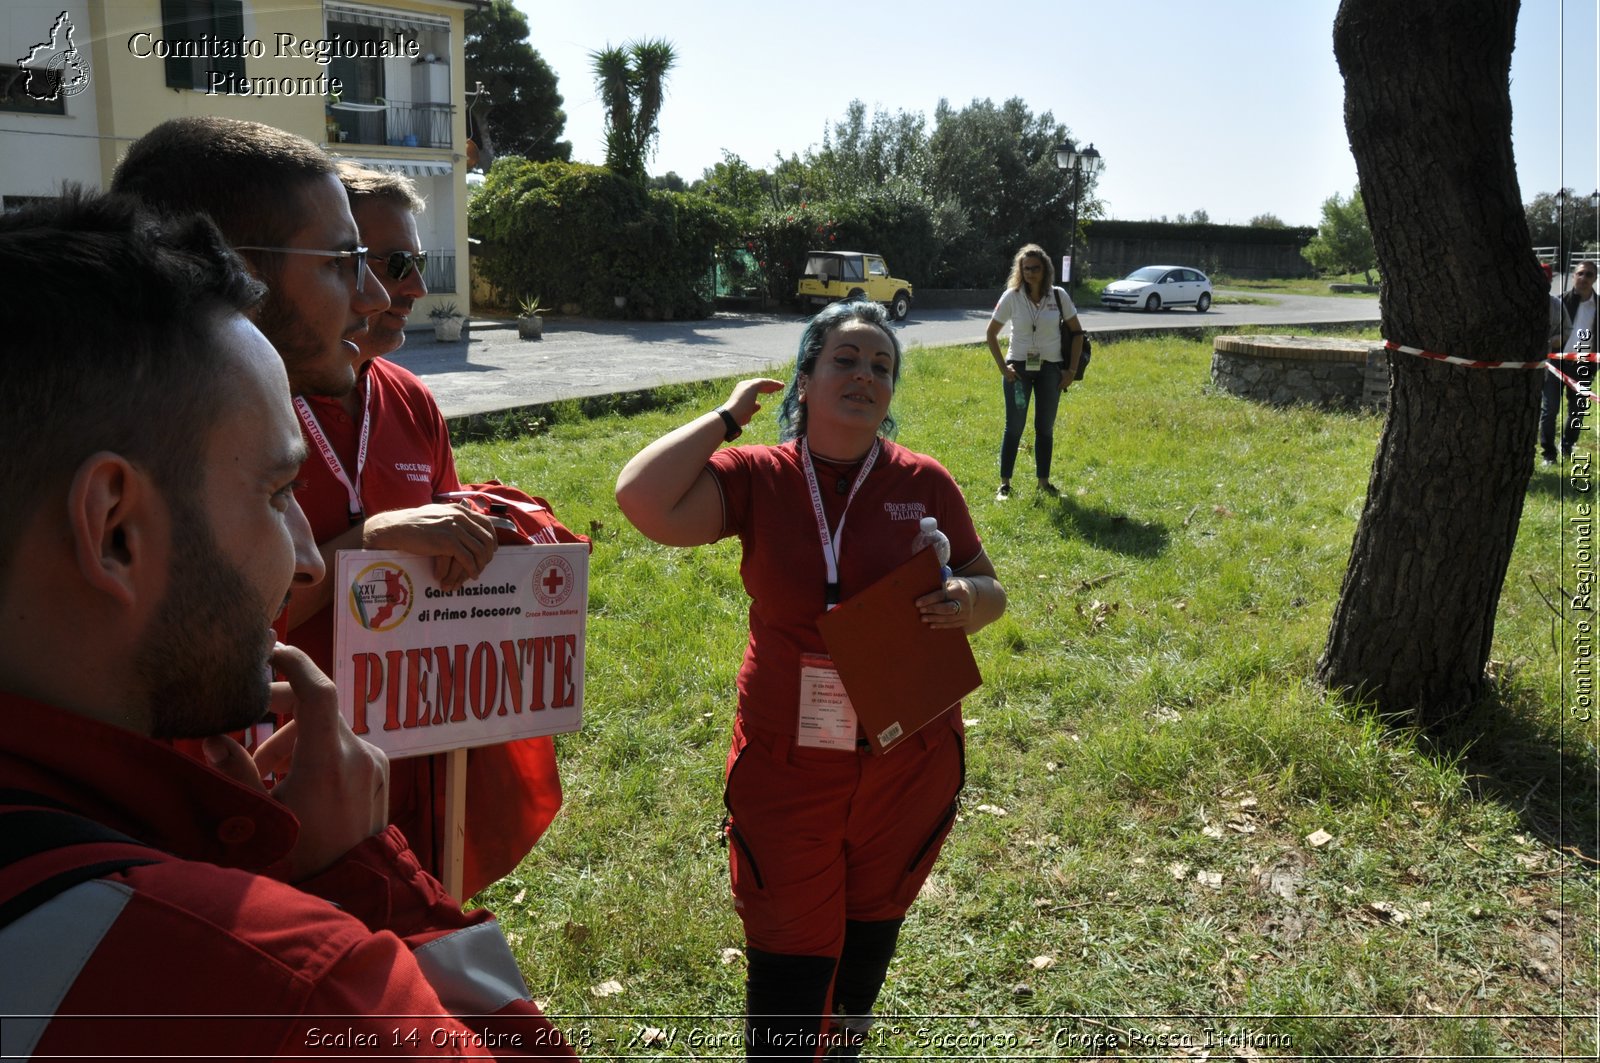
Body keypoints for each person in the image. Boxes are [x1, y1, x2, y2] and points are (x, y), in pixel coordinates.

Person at [0, 191, 576, 1059]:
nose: (308, 556)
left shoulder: (408, 400)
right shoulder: (285, 982)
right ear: (114, 528)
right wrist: (371, 885)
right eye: (276, 496)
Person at [615, 301, 1008, 1059]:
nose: (865, 376)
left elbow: (991, 589)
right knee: (791, 974)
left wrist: (966, 602)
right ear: (806, 376)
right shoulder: (759, 475)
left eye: (881, 367)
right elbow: (642, 498)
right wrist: (727, 418)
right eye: (845, 360)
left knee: (866, 949)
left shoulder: (925, 482)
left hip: (908, 756)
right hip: (789, 765)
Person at [281, 161, 560, 897]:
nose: (412, 288)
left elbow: (445, 579)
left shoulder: (410, 399)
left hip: (413, 750)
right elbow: (246, 616)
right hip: (288, 760)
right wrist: (375, 536)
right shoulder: (253, 398)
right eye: (392, 263)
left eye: (418, 264)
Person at [985, 244, 1085, 500]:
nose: (1030, 273)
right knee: (1014, 427)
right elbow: (991, 334)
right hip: (1018, 371)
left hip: (1051, 370)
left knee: (1045, 428)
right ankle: (1005, 484)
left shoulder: (1059, 296)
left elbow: (1077, 334)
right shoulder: (1012, 296)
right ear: (1020, 270)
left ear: (1045, 269)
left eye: (1035, 268)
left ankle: (1043, 482)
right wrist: (1002, 366)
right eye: (1025, 268)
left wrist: (1071, 370)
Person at [1542, 260, 1597, 463]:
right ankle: (1548, 454)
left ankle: (1567, 446)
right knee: (1549, 411)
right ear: (1573, 275)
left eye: (1589, 274)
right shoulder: (1559, 302)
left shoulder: (1599, 307)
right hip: (1555, 364)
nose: (1583, 278)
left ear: (1595, 279)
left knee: (1577, 412)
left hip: (1583, 366)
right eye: (1580, 273)